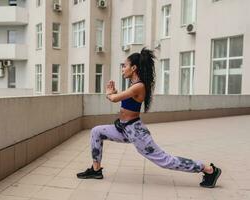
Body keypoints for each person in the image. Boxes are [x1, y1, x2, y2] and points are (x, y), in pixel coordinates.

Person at [76, 47, 222, 188]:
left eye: (124, 66)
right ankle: (96, 170)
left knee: (164, 160)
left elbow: (114, 99)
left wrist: (110, 93)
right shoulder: (134, 85)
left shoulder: (139, 86)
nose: (122, 69)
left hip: (136, 131)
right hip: (123, 128)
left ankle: (208, 169)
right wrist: (116, 92)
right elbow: (126, 100)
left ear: (133, 68)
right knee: (96, 131)